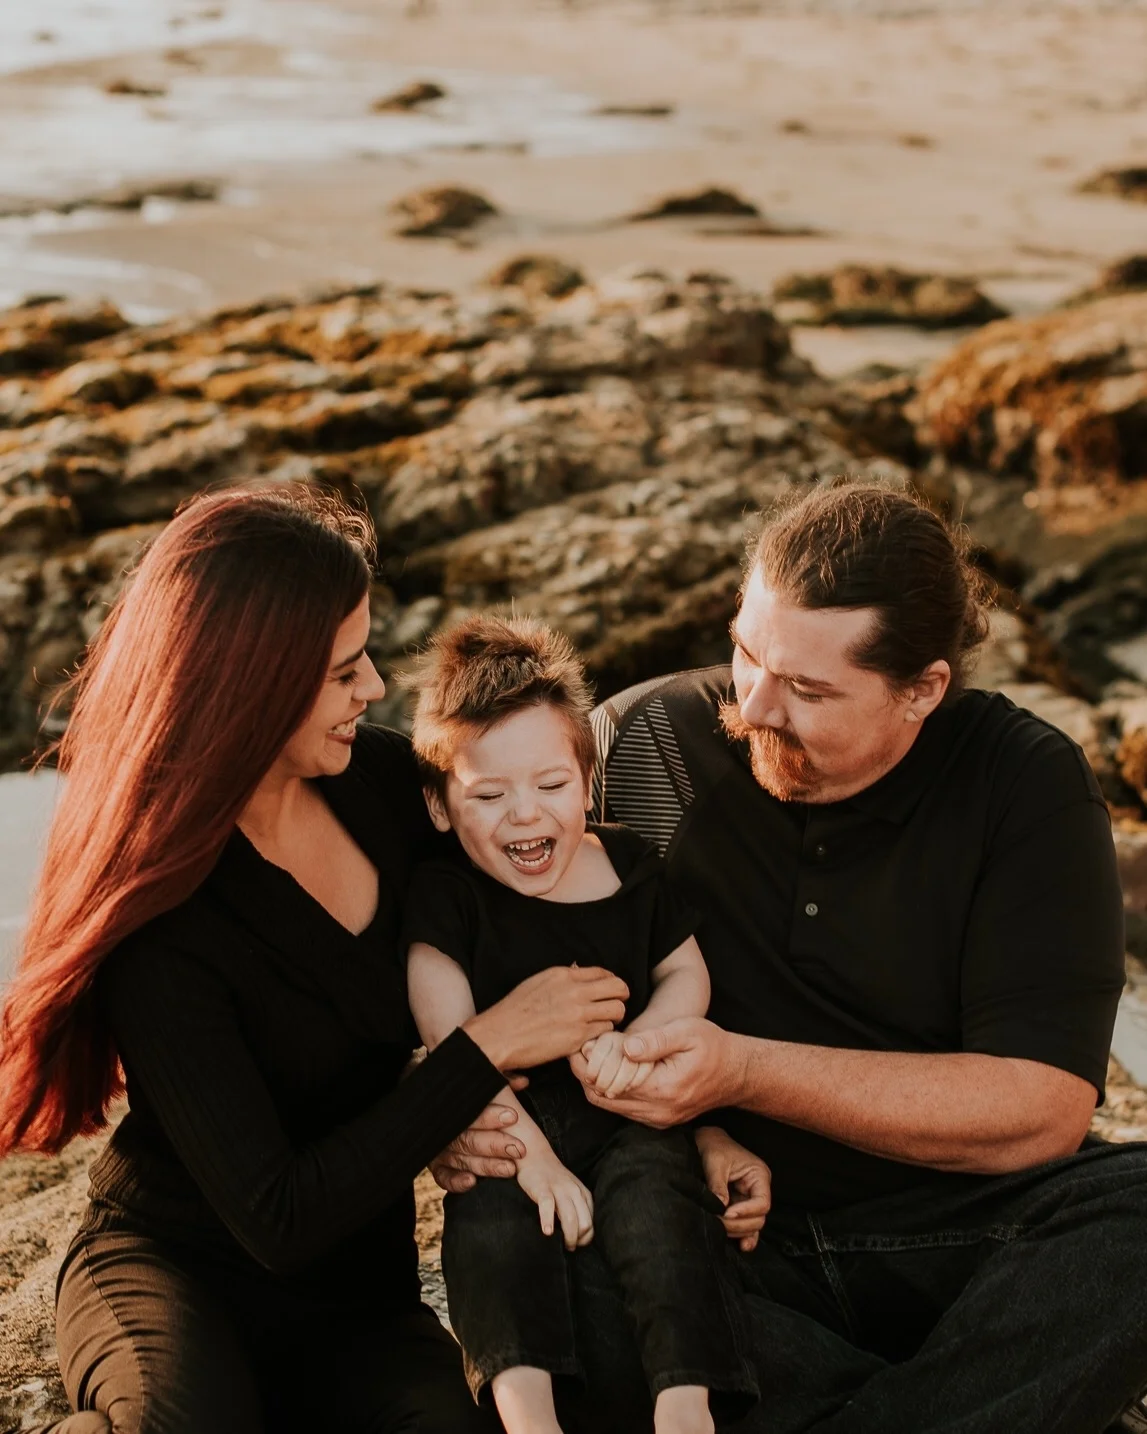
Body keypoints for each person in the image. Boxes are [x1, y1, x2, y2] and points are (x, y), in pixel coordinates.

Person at [437, 481, 1147, 1434]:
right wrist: (444, 1103)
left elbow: (1040, 1111)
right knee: (544, 1274)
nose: (753, 706)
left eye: (808, 691)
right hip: (704, 1243)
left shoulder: (1022, 783)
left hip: (957, 1239)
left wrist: (742, 1070)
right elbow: (451, 900)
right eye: (746, 652)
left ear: (921, 689)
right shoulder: (642, 748)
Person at [0, 487, 629, 1434]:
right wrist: (477, 1058)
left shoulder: (383, 784)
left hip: (357, 1300)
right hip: (176, 1271)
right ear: (252, 683)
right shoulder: (162, 911)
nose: (373, 687)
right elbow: (277, 1215)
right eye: (343, 671)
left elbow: (549, 907)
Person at [402, 615, 758, 1434]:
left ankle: (686, 1401)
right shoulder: (445, 897)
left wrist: (641, 1043)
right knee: (491, 1216)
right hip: (508, 1119)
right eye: (488, 795)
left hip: (624, 1107)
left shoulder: (628, 863)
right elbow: (452, 1046)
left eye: (551, 785)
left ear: (587, 782)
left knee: (663, 1210)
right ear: (438, 806)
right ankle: (528, 1413)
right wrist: (535, 1163)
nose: (525, 815)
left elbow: (684, 972)